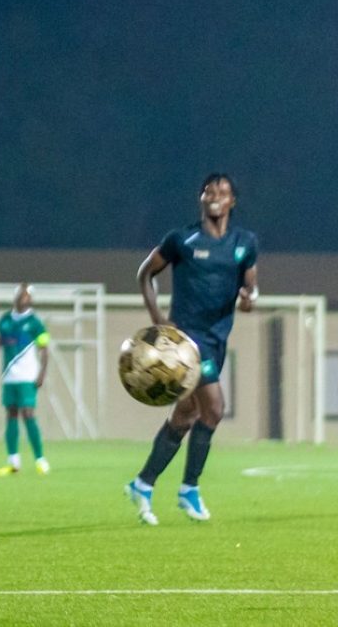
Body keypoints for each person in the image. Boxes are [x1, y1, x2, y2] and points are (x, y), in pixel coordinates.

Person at [125, 173, 258, 525]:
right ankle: (189, 489)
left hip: (217, 338)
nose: (215, 196)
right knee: (214, 407)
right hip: (186, 342)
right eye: (209, 191)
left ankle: (143, 483)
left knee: (185, 415)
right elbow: (144, 274)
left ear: (232, 201)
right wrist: (158, 321)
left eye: (223, 192)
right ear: (201, 198)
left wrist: (249, 299)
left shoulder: (245, 242)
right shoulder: (182, 240)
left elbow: (250, 284)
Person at [0, 283, 51, 476]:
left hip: (28, 376)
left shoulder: (35, 323)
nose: (24, 298)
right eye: (21, 294)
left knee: (28, 413)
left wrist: (42, 373)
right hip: (8, 376)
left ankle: (40, 460)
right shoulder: (4, 321)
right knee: (11, 414)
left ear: (31, 299)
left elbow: (44, 349)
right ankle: (13, 462)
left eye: (27, 295)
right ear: (15, 297)